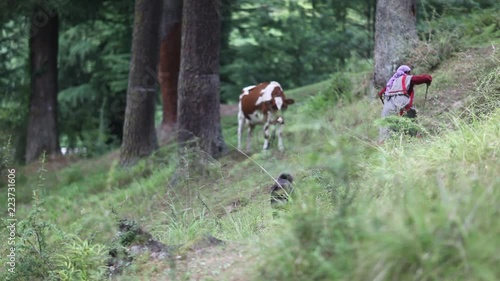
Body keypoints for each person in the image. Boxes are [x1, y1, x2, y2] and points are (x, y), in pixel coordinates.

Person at [377, 65, 432, 144]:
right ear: (406, 72)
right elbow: (422, 79)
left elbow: (380, 94)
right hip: (402, 107)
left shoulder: (391, 83)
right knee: (412, 125)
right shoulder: (406, 78)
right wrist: (429, 78)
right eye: (409, 72)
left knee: (387, 131)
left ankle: (388, 148)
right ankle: (415, 143)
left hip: (388, 110)